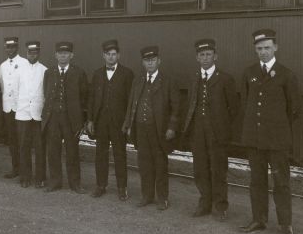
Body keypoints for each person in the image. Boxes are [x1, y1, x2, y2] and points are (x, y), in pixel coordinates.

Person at [240, 29, 301, 234]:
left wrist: (282, 133)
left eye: (267, 47)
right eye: (259, 48)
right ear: (254, 50)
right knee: (257, 181)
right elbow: (245, 105)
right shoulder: (249, 73)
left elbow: (294, 109)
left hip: (277, 141)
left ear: (276, 47)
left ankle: (285, 224)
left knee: (281, 182)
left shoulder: (286, 74)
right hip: (255, 140)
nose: (263, 52)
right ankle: (259, 219)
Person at [182, 39, 239, 221]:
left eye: (208, 54)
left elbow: (234, 108)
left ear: (215, 56)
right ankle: (204, 203)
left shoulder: (225, 79)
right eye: (201, 55)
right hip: (198, 132)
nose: (205, 58)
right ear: (197, 58)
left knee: (218, 170)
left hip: (218, 134)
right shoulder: (193, 78)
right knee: (200, 169)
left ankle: (220, 206)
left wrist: (223, 127)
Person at [123, 46, 180, 210]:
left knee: (160, 164)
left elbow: (176, 108)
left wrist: (171, 127)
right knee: (144, 164)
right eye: (147, 61)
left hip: (159, 130)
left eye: (153, 60)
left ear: (159, 61)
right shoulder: (138, 80)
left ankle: (162, 198)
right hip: (141, 129)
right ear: (143, 62)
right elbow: (131, 104)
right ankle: (147, 196)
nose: (150, 63)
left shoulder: (168, 81)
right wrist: (128, 125)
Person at [87, 39, 134, 201]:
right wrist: (90, 120)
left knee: (120, 154)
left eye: (114, 54)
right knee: (100, 154)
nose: (111, 57)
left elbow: (130, 101)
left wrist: (128, 123)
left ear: (118, 55)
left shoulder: (127, 74)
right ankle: (101, 185)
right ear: (103, 56)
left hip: (118, 123)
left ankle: (122, 188)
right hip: (101, 122)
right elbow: (91, 99)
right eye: (108, 54)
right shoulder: (97, 74)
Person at [42, 41, 88, 194]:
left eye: (66, 53)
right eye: (60, 53)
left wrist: (81, 121)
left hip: (71, 120)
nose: (63, 56)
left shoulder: (79, 73)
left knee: (72, 152)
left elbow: (84, 98)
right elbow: (46, 94)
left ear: (71, 55)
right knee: (53, 151)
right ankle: (55, 182)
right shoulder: (49, 72)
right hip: (53, 118)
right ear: (56, 55)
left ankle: (75, 183)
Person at [15, 41, 47, 188]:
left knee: (40, 147)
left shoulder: (45, 70)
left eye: (35, 52)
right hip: (23, 114)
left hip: (38, 115)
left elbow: (45, 93)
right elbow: (14, 91)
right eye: (29, 52)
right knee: (23, 147)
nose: (32, 55)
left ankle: (40, 178)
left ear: (39, 53)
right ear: (26, 53)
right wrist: (19, 107)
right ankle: (25, 177)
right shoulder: (19, 69)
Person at [0, 37, 28, 179]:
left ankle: (24, 170)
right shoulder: (3, 65)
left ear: (17, 48)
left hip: (21, 108)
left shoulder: (24, 63)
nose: (10, 50)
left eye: (13, 47)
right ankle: (15, 168)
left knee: (22, 141)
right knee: (12, 141)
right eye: (7, 47)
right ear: (5, 48)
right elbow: (3, 86)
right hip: (8, 108)